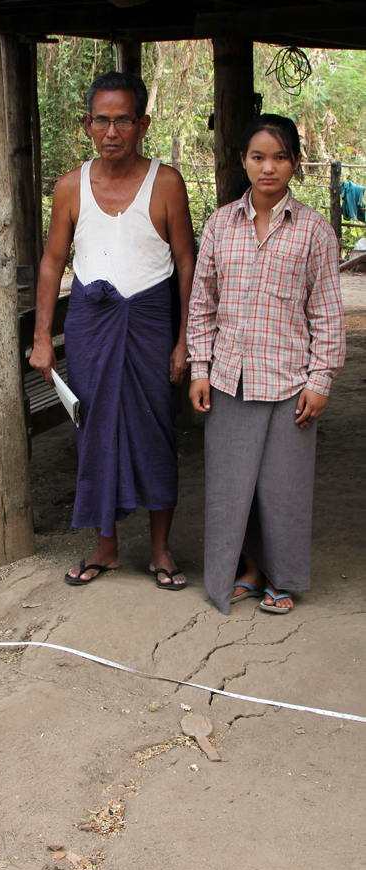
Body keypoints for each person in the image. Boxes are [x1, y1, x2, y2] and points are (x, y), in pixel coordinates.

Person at [29, 71, 196, 588]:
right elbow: (53, 264)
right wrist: (41, 338)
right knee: (93, 429)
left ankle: (161, 549)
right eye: (101, 119)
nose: (112, 131)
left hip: (150, 322)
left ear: (142, 123)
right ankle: (105, 547)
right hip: (90, 323)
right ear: (87, 126)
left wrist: (186, 338)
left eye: (124, 119)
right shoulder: (69, 187)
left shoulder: (165, 183)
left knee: (155, 429)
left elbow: (187, 263)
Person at [187, 114, 346, 615]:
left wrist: (320, 380)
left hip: (291, 381)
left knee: (283, 488)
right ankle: (246, 571)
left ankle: (282, 578)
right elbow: (201, 305)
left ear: (295, 164)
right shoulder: (219, 224)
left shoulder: (314, 231)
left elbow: (326, 313)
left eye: (279, 157)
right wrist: (199, 367)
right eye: (258, 157)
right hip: (229, 376)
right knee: (231, 487)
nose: (268, 167)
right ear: (243, 162)